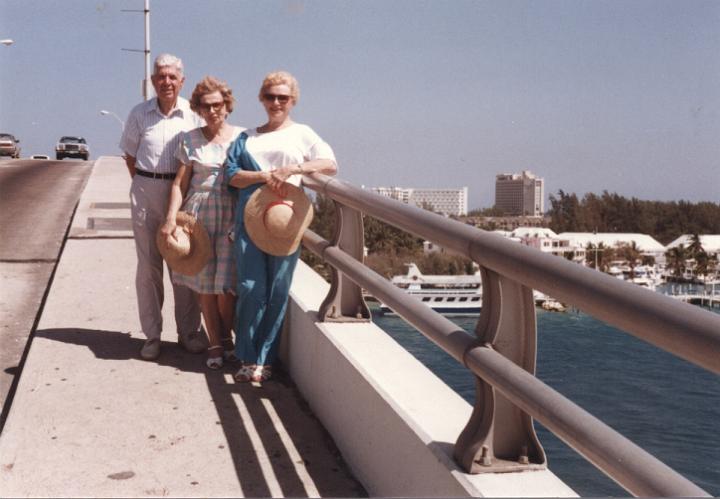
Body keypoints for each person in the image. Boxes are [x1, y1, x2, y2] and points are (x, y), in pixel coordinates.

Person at [225, 70, 337, 383]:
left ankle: (265, 358)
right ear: (262, 98)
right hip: (250, 219)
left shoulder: (303, 133)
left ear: (293, 101)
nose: (276, 102)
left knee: (277, 289)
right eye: (271, 96)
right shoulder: (247, 137)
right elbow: (231, 175)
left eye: (283, 98)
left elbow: (329, 163)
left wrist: (294, 168)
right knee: (251, 288)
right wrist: (265, 176)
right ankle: (246, 353)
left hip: (285, 220)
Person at [120, 53, 205, 361]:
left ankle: (189, 332)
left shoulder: (193, 116)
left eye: (172, 77)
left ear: (182, 81)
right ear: (153, 81)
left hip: (181, 193)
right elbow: (129, 156)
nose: (166, 82)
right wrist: (146, 184)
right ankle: (152, 336)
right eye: (160, 76)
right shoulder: (139, 114)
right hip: (146, 190)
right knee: (148, 267)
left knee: (182, 263)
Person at [159, 76, 244, 369]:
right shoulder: (189, 139)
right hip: (198, 217)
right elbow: (179, 184)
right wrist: (171, 218)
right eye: (206, 106)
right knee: (205, 285)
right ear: (198, 108)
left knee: (225, 287)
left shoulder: (242, 138)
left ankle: (227, 335)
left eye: (218, 105)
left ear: (227, 105)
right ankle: (217, 343)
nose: (212, 111)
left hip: (230, 213)